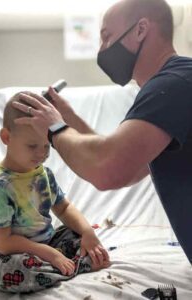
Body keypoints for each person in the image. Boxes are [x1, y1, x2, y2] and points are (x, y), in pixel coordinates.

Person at [12, 0, 192, 266]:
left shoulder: (172, 85)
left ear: (141, 29)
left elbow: (108, 168)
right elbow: (128, 161)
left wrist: (54, 128)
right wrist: (68, 119)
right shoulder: (176, 82)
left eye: (107, 36)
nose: (102, 49)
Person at [0, 92, 110, 293]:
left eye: (47, 145)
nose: (42, 153)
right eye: (32, 146)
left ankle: (65, 265)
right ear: (6, 137)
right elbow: (3, 243)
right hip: (2, 257)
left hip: (46, 243)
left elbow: (64, 209)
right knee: (17, 272)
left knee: (81, 237)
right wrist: (49, 254)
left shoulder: (43, 174)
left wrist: (87, 232)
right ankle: (74, 266)